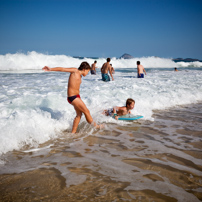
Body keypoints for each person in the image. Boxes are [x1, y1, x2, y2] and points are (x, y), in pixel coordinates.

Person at [42, 62, 102, 133]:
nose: (87, 73)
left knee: (79, 114)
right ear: (84, 69)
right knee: (87, 111)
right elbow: (62, 69)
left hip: (76, 96)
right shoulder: (75, 71)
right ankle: (96, 126)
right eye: (88, 71)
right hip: (72, 97)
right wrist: (51, 69)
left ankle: (73, 132)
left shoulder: (80, 76)